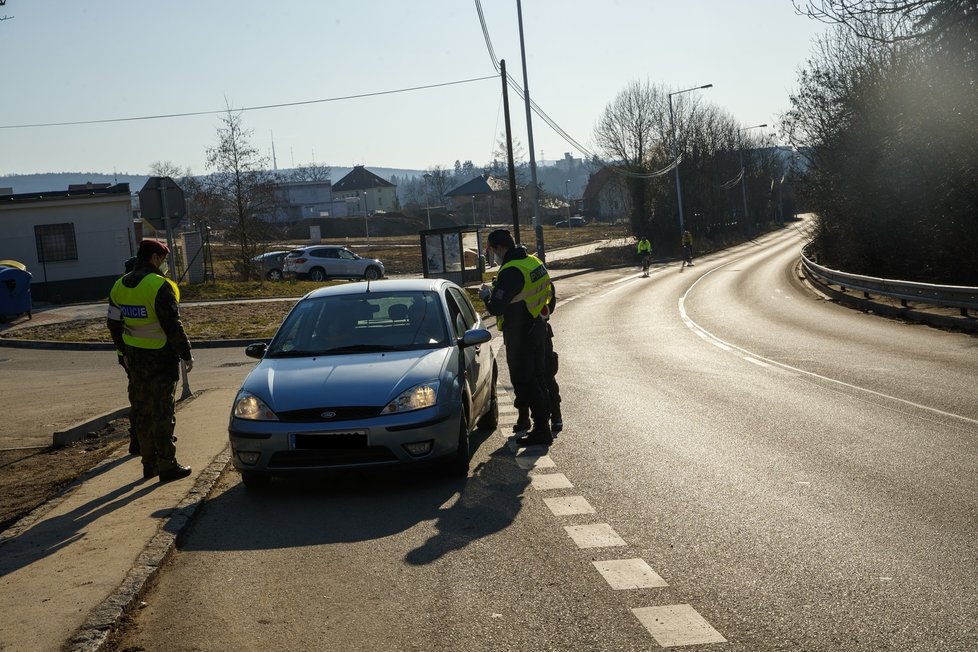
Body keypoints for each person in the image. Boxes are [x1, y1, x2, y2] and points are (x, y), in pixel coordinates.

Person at [107, 239, 194, 483]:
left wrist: (123, 352)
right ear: (154, 258)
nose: (164, 265)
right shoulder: (159, 286)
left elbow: (113, 324)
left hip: (135, 359)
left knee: (142, 413)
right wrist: (186, 352)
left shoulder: (118, 286)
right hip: (161, 358)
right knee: (162, 413)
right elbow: (172, 324)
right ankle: (167, 465)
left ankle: (149, 465)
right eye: (163, 260)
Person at [479, 229, 553, 447]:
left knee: (526, 382)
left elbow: (496, 307)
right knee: (538, 379)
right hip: (537, 327)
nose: (492, 254)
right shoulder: (532, 261)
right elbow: (548, 291)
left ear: (500, 248)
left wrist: (486, 297)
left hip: (521, 333)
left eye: (491, 250)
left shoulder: (511, 271)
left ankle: (541, 429)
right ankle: (543, 425)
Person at [515, 282, 562, 435]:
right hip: (525, 335)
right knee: (525, 378)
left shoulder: (536, 277)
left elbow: (548, 307)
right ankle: (525, 417)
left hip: (536, 332)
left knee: (545, 375)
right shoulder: (536, 273)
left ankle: (555, 416)